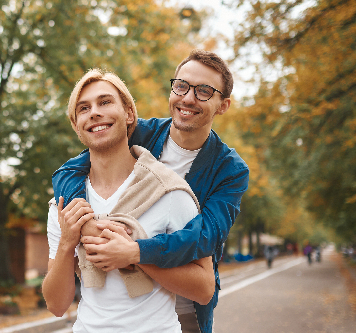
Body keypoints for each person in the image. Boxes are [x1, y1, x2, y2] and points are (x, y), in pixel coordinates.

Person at [53, 50, 250, 333]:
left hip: (186, 304)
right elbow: (68, 171)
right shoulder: (138, 133)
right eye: (181, 86)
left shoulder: (230, 170)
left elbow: (203, 237)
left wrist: (136, 251)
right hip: (126, 303)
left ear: (223, 105)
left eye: (204, 91)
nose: (188, 98)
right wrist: (85, 223)